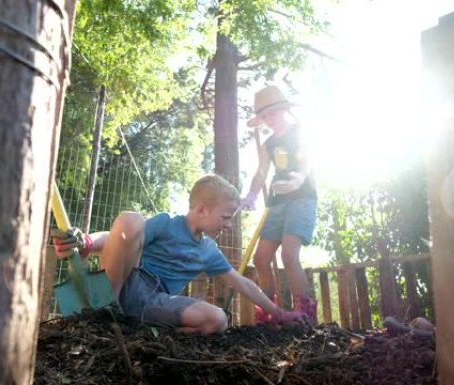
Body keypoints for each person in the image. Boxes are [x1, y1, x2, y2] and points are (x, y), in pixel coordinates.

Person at [50, 174, 307, 334]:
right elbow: (118, 237)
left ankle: (147, 332)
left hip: (155, 301)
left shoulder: (209, 251)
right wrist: (86, 242)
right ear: (203, 209)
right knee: (131, 219)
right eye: (226, 217)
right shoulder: (167, 223)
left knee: (217, 319)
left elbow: (242, 284)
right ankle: (108, 310)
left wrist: (278, 312)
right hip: (126, 281)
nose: (228, 225)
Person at [241, 85, 319, 325]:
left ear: (284, 109)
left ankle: (304, 310)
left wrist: (299, 178)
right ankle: (269, 311)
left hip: (302, 198)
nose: (268, 120)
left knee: (288, 252)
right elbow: (261, 173)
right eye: (263, 117)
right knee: (261, 258)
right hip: (276, 203)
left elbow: (307, 159)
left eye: (271, 114)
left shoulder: (300, 132)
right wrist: (251, 195)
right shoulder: (268, 145)